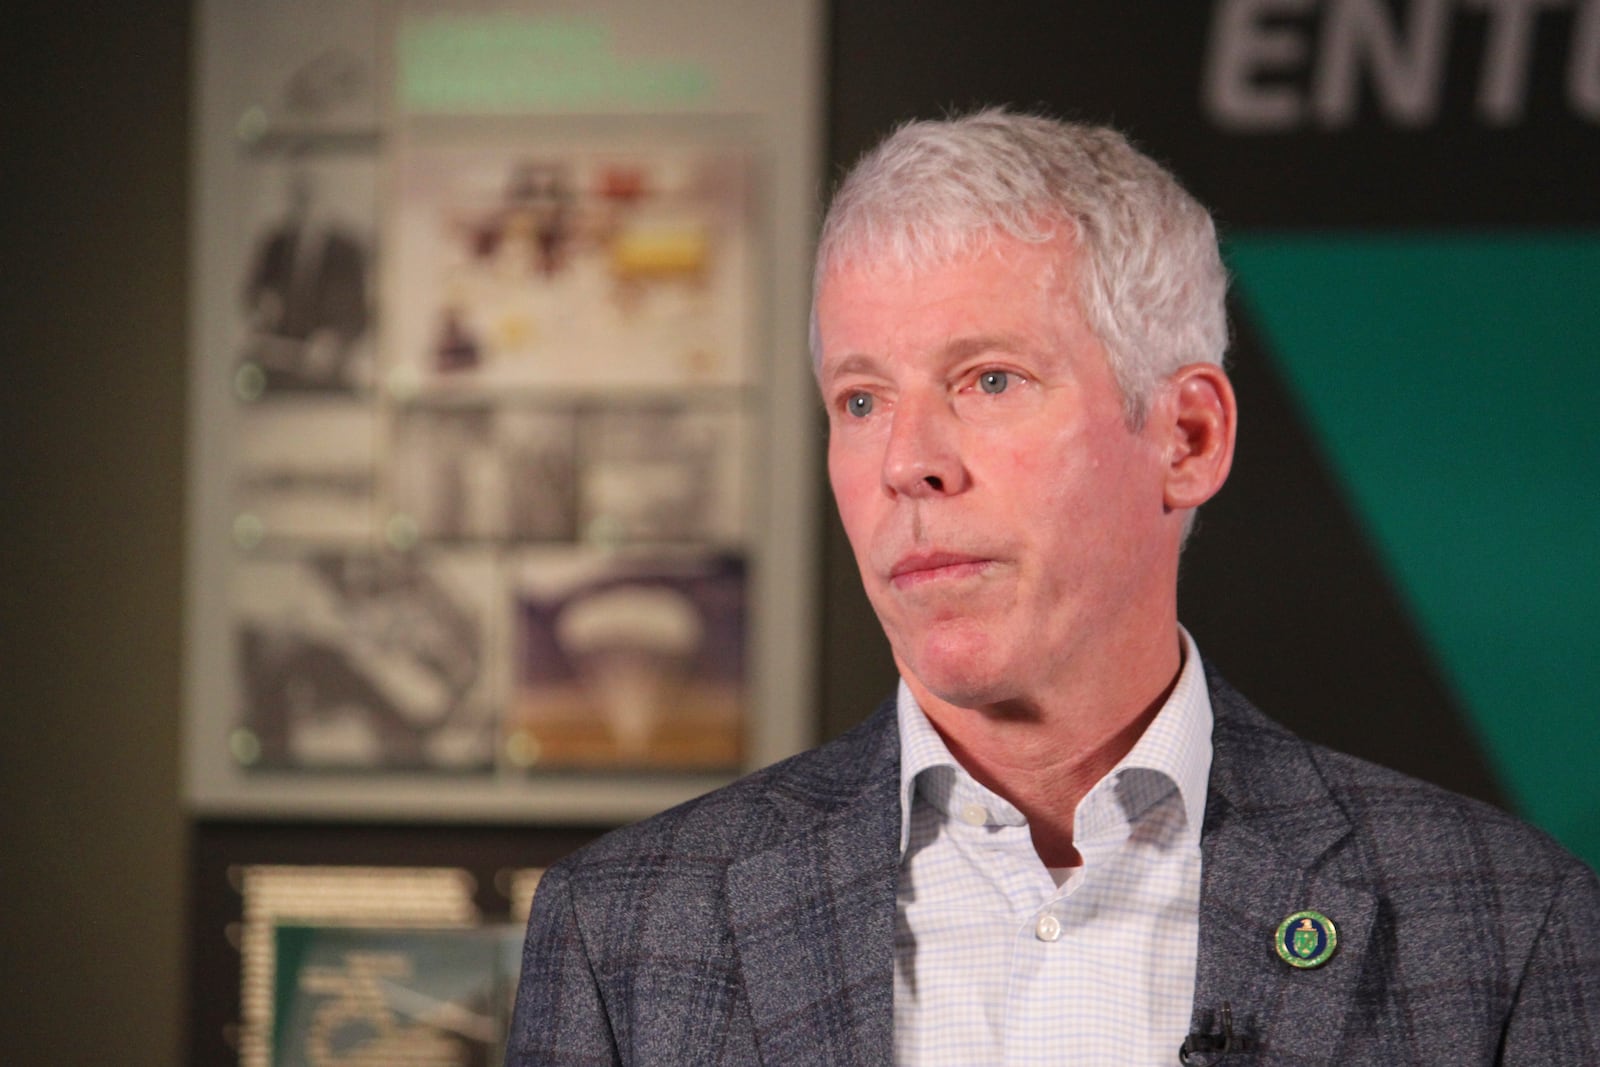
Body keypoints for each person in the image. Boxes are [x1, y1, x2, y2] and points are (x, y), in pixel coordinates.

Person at [506, 109, 1600, 1065]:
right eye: (860, 399)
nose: (906, 461)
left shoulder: (1503, 926)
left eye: (987, 378)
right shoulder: (627, 933)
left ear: (1186, 435)